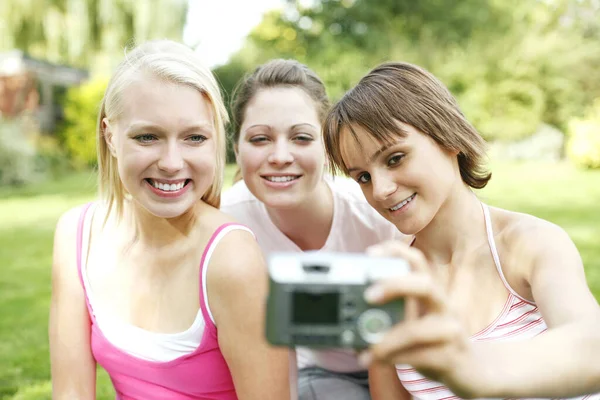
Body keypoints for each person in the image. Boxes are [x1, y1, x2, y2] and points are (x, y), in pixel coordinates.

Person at [322, 61, 600, 400]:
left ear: (448, 137)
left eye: (395, 158)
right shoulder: (393, 280)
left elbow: (591, 350)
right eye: (362, 177)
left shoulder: (529, 243)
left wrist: (466, 363)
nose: (379, 189)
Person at [48, 40, 290, 400]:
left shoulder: (231, 259)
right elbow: (70, 392)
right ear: (111, 136)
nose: (172, 163)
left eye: (194, 137)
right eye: (148, 137)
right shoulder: (77, 235)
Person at [220, 59, 405, 400]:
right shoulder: (226, 225)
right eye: (260, 139)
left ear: (327, 147)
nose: (279, 156)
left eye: (301, 137)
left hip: (407, 364)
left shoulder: (377, 214)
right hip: (322, 375)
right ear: (236, 148)